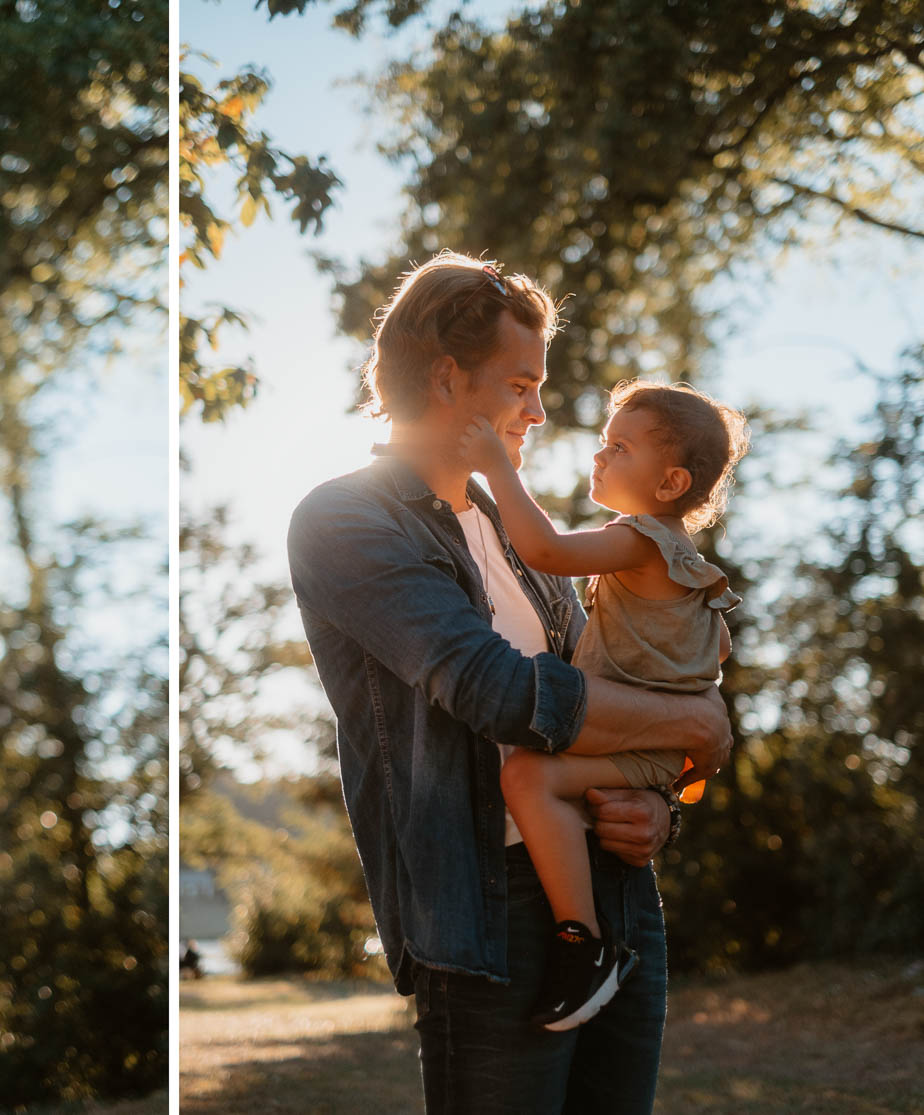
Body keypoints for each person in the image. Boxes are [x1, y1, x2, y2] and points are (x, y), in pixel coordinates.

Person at [287, 251, 733, 1114]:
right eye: (522, 383)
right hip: (490, 910)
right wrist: (694, 722)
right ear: (450, 377)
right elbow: (498, 691)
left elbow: (595, 687)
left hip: (614, 888)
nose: (538, 408)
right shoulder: (345, 519)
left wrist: (659, 804)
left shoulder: (513, 531)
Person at [459, 379, 749, 1031]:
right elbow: (719, 641)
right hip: (651, 746)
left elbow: (546, 550)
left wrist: (496, 465)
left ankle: (582, 941)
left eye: (619, 447)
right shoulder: (679, 559)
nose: (600, 456)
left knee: (527, 775)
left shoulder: (641, 538)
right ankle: (587, 935)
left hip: (635, 743)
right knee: (539, 778)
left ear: (671, 482)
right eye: (602, 442)